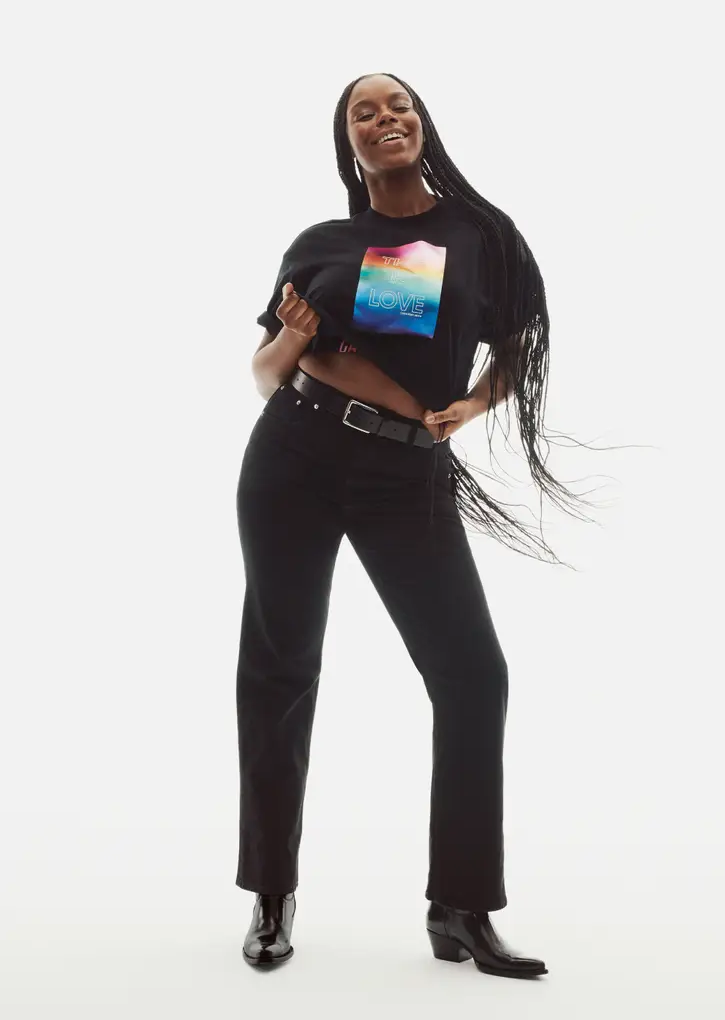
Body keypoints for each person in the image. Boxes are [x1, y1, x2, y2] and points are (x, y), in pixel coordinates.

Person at [235, 72, 591, 979]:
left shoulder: (480, 236)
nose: (384, 119)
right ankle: (271, 893)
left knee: (473, 676)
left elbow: (518, 343)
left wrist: (472, 404)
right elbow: (268, 372)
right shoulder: (321, 243)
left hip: (406, 475)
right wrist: (293, 337)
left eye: (397, 105)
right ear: (347, 141)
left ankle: (460, 907)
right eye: (364, 112)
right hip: (294, 456)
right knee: (280, 668)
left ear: (422, 122)